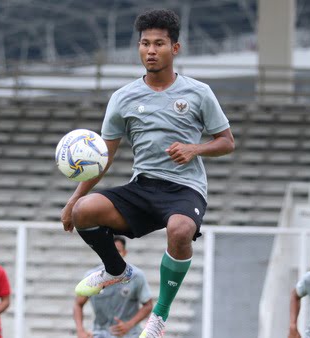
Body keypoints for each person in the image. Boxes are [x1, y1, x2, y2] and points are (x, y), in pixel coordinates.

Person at [61, 8, 235, 338]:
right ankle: (115, 270)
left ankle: (159, 315)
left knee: (180, 230)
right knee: (85, 212)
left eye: (159, 43)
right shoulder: (123, 98)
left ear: (175, 48)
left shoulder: (198, 93)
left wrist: (194, 148)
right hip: (142, 187)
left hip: (185, 189)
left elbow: (227, 142)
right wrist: (73, 200)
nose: (151, 51)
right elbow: (104, 159)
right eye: (145, 44)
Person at [74, 236, 153, 338]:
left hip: (129, 334)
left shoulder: (137, 276)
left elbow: (148, 305)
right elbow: (78, 304)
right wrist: (80, 331)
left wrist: (129, 325)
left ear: (125, 252)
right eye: (111, 252)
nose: (114, 256)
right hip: (100, 333)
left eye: (118, 251)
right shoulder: (92, 278)